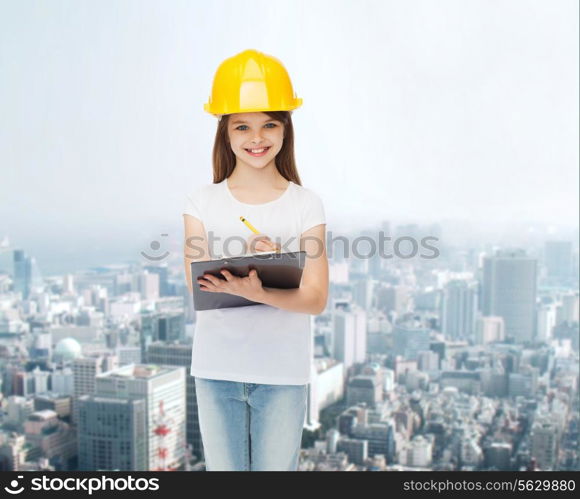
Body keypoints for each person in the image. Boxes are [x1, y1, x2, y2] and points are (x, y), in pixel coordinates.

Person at [182, 49, 329, 471]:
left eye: (269, 124)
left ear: (286, 129)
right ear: (225, 133)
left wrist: (258, 287)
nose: (256, 137)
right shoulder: (201, 202)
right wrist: (267, 277)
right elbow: (199, 287)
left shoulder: (306, 205)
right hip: (216, 369)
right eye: (242, 125)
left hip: (283, 374)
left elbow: (315, 298)